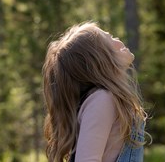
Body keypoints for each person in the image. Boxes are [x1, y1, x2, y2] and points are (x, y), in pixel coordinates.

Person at [42, 22, 148, 162]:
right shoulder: (103, 100)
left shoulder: (109, 99)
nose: (117, 40)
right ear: (101, 58)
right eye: (110, 38)